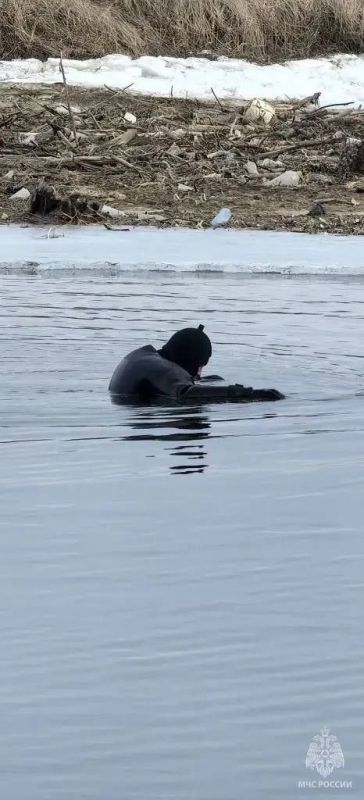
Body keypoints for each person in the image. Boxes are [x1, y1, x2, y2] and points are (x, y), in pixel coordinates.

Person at [108, 324, 284, 403]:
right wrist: (250, 394)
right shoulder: (167, 370)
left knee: (215, 378)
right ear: (193, 360)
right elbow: (184, 392)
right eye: (201, 365)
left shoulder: (145, 357)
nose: (199, 372)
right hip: (139, 405)